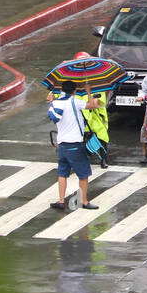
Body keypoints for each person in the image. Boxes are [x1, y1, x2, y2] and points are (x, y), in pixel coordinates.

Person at [47, 79, 102, 210]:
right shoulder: (75, 102)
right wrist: (89, 92)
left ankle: (61, 201)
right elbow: (92, 106)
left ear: (62, 90)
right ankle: (84, 201)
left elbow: (53, 115)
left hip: (61, 145)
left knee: (62, 173)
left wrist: (50, 101)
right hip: (75, 145)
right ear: (74, 91)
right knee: (83, 174)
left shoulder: (56, 103)